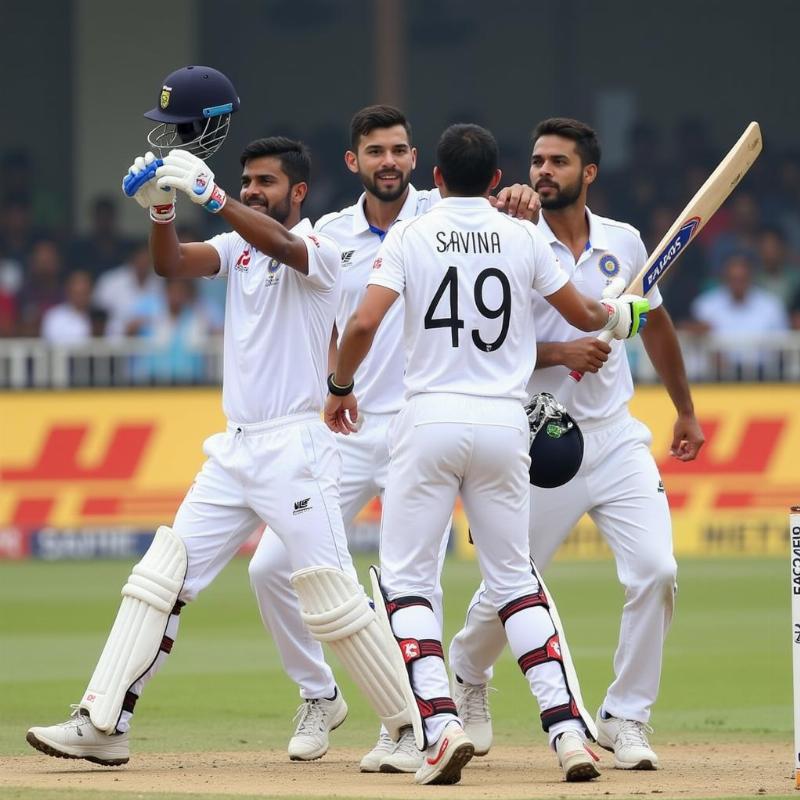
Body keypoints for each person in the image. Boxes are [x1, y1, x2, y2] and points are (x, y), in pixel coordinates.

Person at [26, 75, 421, 765]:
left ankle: (415, 727)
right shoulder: (238, 248)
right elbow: (173, 264)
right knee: (161, 576)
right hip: (234, 450)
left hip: (300, 448)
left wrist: (214, 196)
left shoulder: (322, 253)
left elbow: (283, 247)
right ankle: (103, 724)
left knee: (329, 594)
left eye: (266, 182)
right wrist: (160, 212)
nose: (255, 189)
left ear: (298, 193)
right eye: (247, 180)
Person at [325, 123, 650, 785]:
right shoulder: (525, 235)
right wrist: (629, 316)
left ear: (435, 179)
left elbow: (363, 323)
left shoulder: (412, 234)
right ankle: (567, 733)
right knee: (514, 582)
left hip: (429, 418)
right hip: (505, 424)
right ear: (497, 180)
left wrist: (339, 387)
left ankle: (440, 727)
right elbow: (588, 315)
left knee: (409, 582)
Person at [247, 105, 541, 771]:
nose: (388, 161)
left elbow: (508, 208)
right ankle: (319, 694)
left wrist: (522, 195)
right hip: (349, 429)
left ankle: (414, 723)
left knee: (417, 585)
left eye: (399, 150)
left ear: (417, 161)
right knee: (270, 567)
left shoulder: (452, 212)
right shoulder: (328, 233)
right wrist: (331, 389)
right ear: (354, 162)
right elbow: (323, 323)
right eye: (375, 151)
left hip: (425, 425)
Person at [448, 117, 705, 771]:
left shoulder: (623, 241)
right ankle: (467, 667)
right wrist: (564, 350)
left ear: (588, 173)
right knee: (510, 586)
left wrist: (685, 409)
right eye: (536, 161)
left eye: (558, 162)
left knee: (657, 572)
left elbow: (654, 323)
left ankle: (626, 717)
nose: (543, 172)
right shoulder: (508, 237)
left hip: (616, 437)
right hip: (539, 438)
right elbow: (483, 342)